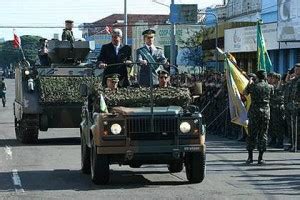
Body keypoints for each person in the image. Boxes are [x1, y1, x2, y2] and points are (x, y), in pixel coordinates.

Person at [243, 70, 274, 165]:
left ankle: (250, 158)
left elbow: (245, 93)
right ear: (265, 77)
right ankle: (260, 158)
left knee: (252, 134)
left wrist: (249, 82)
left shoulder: (253, 86)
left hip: (254, 112)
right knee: (263, 134)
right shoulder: (270, 87)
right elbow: (271, 97)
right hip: (265, 112)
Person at [268, 73, 285, 148]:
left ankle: (280, 141)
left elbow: (281, 98)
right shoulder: (271, 87)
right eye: (270, 78)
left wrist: (272, 98)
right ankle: (273, 139)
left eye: (273, 78)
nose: (271, 79)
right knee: (272, 125)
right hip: (272, 108)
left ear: (277, 79)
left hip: (278, 108)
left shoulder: (281, 87)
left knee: (278, 126)